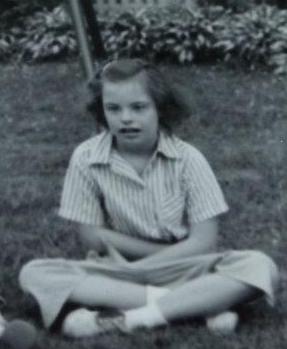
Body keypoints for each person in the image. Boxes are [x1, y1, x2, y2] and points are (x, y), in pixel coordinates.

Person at [19, 59, 279, 338]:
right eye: (113, 109)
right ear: (101, 111)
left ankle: (133, 318)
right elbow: (92, 238)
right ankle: (198, 304)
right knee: (35, 273)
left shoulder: (188, 159)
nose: (126, 118)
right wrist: (130, 264)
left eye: (138, 107)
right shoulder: (86, 157)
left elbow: (203, 241)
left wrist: (143, 265)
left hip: (184, 266)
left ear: (160, 108)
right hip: (116, 268)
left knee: (259, 265)